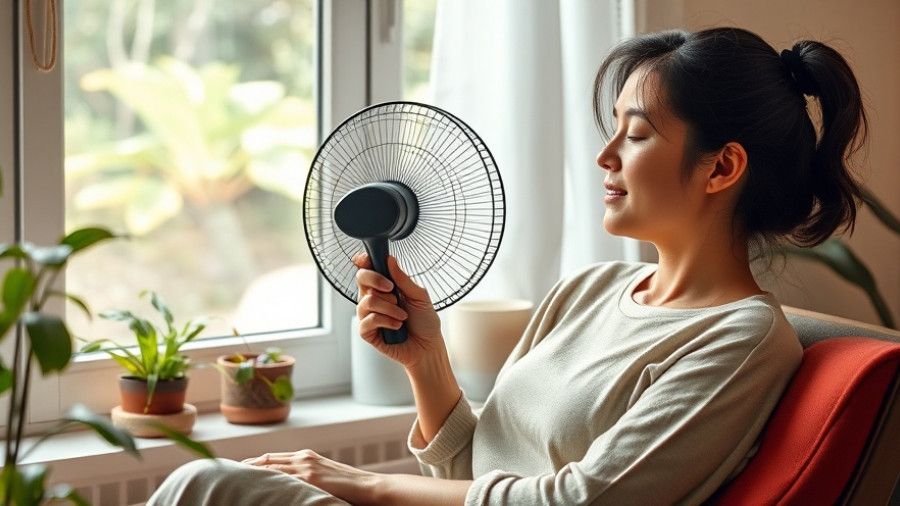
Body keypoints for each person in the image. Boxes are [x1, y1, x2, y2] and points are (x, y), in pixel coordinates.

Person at [147, 26, 868, 505]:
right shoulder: (588, 289)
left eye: (637, 134)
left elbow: (582, 500)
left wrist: (363, 485)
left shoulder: (740, 339)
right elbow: (477, 475)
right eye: (610, 129)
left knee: (204, 488)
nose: (605, 157)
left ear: (723, 168)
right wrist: (427, 367)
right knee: (201, 483)